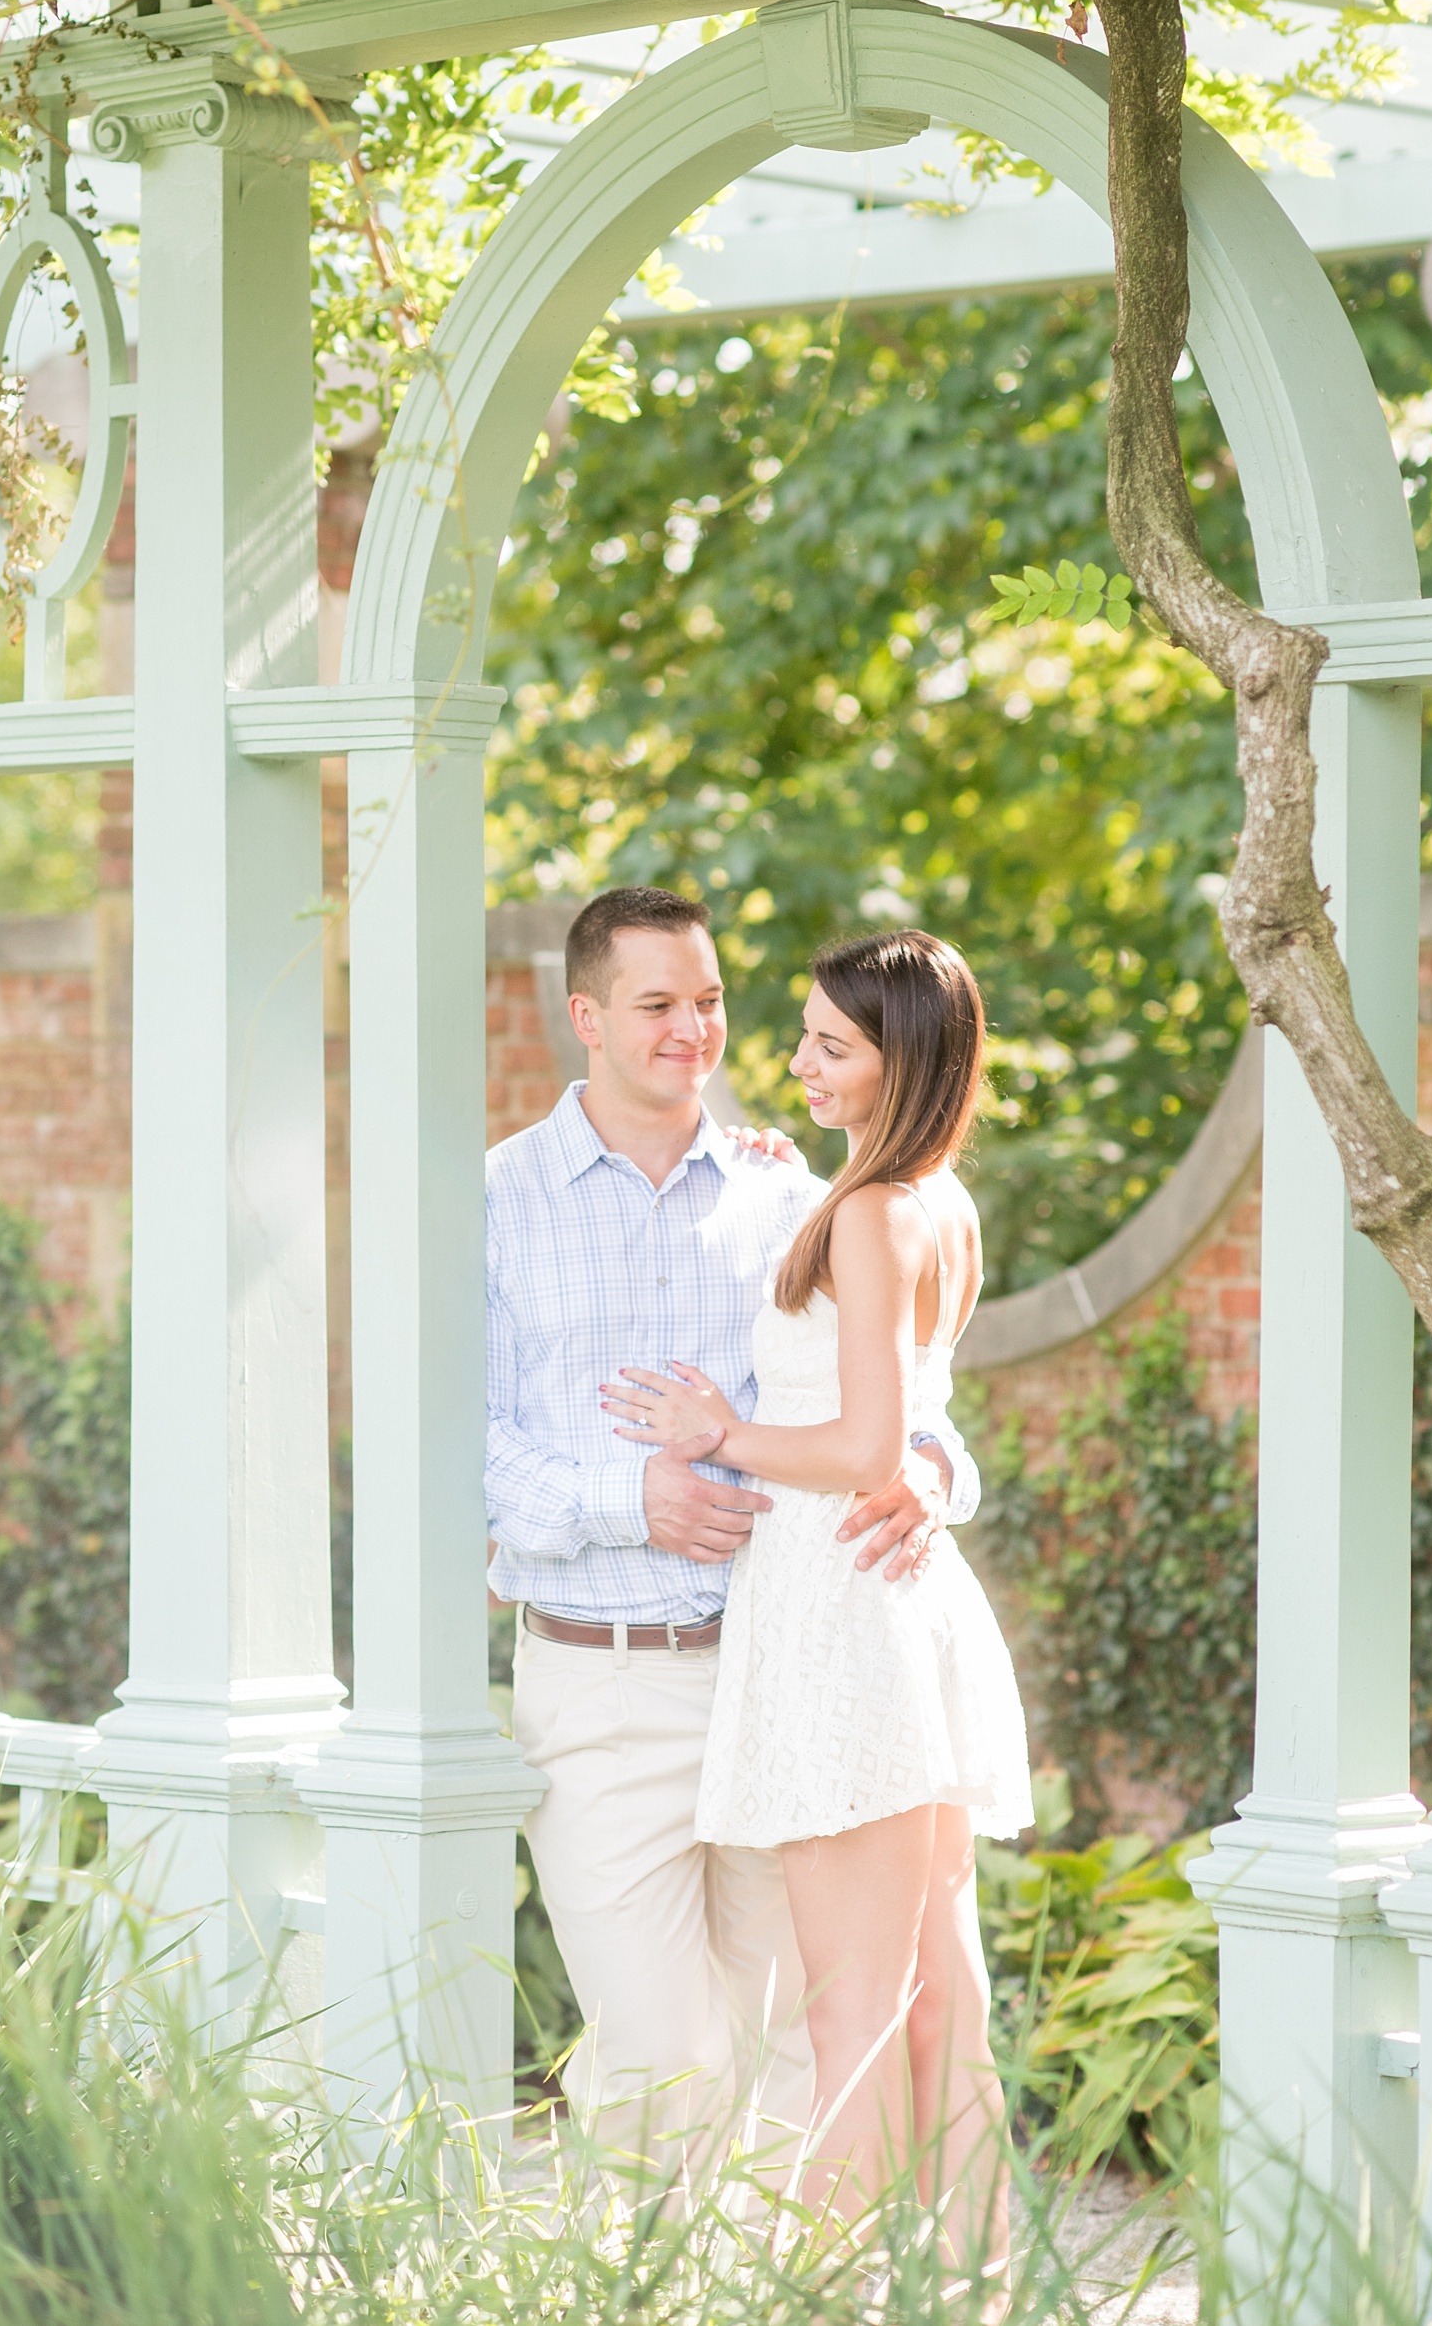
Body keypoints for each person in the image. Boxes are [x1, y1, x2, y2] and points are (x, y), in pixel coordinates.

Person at [487, 888, 984, 2150]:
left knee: (794, 2046)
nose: (692, 1030)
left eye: (707, 1001)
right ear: (585, 1014)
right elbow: (460, 1442)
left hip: (775, 1670)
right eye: (656, 1004)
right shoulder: (498, 1197)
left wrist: (928, 1476)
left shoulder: (790, 1195)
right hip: (599, 1685)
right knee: (661, 2055)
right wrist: (625, 1498)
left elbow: (902, 1405)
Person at [601, 931, 1032, 2260]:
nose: (797, 1062)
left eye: (832, 1045)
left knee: (850, 2012)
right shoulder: (926, 1203)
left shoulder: (866, 1213)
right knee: (936, 1998)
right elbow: (911, 1430)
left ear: (904, 1059)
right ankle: (973, 2283)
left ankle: (824, 2292)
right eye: (801, 1035)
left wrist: (717, 1430)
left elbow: (860, 1447)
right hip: (900, 1607)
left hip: (844, 1613)